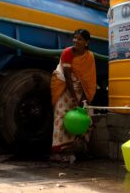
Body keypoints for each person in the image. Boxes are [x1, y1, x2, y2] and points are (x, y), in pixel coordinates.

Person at [50, 29, 96, 160]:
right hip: (64, 87)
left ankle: (81, 149)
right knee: (61, 116)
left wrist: (84, 98)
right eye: (74, 38)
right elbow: (68, 77)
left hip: (81, 90)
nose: (76, 41)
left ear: (86, 42)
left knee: (86, 117)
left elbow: (89, 79)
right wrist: (74, 97)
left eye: (80, 39)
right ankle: (57, 152)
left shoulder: (89, 57)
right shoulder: (67, 53)